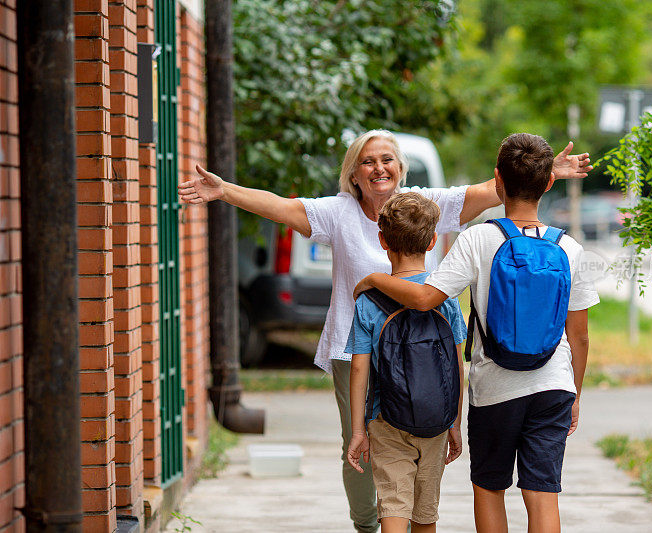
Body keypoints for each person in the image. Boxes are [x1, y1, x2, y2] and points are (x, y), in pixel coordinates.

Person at [178, 129, 592, 532]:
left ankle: (405, 515)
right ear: (353, 174)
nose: (379, 168)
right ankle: (366, 521)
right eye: (368, 161)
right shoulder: (336, 211)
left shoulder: (425, 204)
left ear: (401, 168)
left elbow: (490, 189)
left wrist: (541, 170)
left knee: (424, 442)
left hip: (423, 350)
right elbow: (278, 207)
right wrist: (225, 190)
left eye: (387, 159)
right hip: (356, 350)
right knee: (360, 444)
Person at [353, 133, 600, 533]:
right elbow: (580, 337)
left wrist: (373, 279)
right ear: (549, 183)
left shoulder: (479, 239)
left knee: (489, 489)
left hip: (495, 391)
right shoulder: (569, 248)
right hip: (554, 386)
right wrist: (575, 393)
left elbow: (422, 298)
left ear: (498, 180)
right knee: (543, 492)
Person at [346, 192, 466, 533]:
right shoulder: (445, 297)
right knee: (425, 513)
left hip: (386, 421)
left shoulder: (370, 301)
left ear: (382, 240)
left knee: (393, 507)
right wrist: (454, 422)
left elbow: (358, 368)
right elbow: (457, 366)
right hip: (435, 422)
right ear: (431, 242)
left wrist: (358, 431)